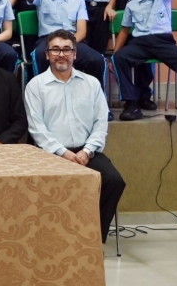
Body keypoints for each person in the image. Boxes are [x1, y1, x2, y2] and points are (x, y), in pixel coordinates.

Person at [25, 29, 125, 244]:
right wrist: (63, 153)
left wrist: (87, 151)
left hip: (87, 152)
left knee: (114, 181)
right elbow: (37, 129)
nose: (61, 54)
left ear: (75, 54)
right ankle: (52, 237)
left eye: (66, 50)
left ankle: (93, 238)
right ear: (47, 54)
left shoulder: (91, 84)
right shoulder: (35, 86)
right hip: (51, 154)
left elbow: (100, 123)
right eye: (56, 50)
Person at [17, 0, 108, 88]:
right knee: (39, 55)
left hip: (72, 40)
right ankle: (42, 96)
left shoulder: (78, 1)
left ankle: (98, 102)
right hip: (47, 40)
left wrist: (66, 45)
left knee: (97, 59)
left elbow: (82, 32)